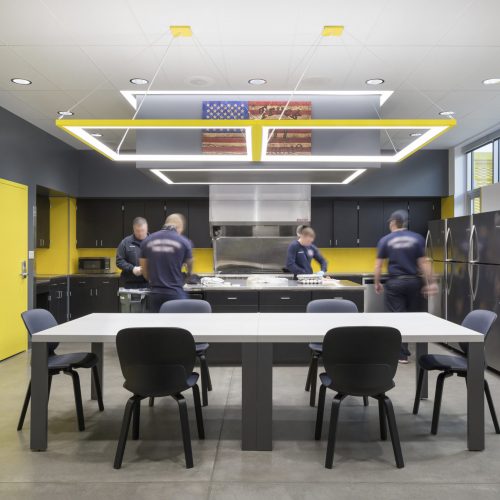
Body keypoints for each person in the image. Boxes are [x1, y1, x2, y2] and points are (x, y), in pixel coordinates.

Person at [374, 210, 437, 363]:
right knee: (413, 317)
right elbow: (423, 262)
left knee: (397, 318)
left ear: (393, 223)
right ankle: (420, 351)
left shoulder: (385, 240)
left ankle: (401, 354)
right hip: (414, 282)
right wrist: (432, 282)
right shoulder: (417, 238)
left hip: (395, 282)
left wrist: (377, 282)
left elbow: (378, 265)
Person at [139, 213, 193, 313]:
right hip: (175, 293)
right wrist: (182, 281)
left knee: (156, 326)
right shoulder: (185, 242)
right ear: (179, 226)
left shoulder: (147, 241)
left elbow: (145, 272)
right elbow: (189, 271)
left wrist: (154, 281)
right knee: (178, 326)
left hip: (155, 294)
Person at [116, 216, 149, 289]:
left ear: (147, 228)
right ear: (133, 229)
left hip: (149, 284)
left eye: (142, 230)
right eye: (137, 231)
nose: (140, 233)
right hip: (130, 284)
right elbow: (119, 261)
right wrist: (132, 269)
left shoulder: (154, 242)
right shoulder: (125, 242)